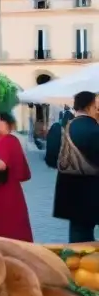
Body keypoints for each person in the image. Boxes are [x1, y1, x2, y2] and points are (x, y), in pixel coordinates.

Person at [51, 90, 99, 243]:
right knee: (86, 230)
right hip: (92, 188)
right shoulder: (95, 130)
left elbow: (51, 158)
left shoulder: (60, 127)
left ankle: (77, 261)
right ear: (91, 106)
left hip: (68, 189)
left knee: (78, 231)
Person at [0, 112, 33, 241]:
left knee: (7, 225)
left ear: (6, 123)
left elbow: (1, 165)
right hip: (6, 189)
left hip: (4, 189)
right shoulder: (3, 139)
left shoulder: (8, 140)